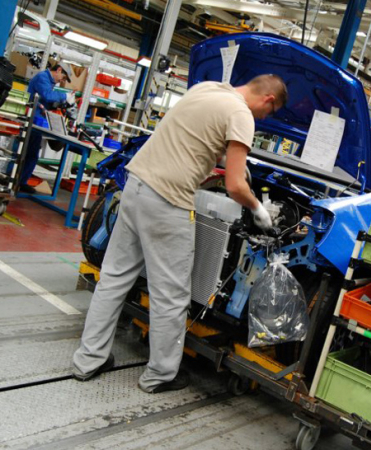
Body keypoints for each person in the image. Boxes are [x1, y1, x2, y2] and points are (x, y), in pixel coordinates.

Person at [72, 74, 288, 394]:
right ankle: (160, 374)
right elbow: (234, 186)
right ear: (268, 99)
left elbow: (200, 141)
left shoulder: (207, 89)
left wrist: (234, 165)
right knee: (171, 295)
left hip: (135, 188)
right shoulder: (241, 113)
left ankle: (88, 360)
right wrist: (258, 209)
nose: (263, 118)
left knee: (115, 277)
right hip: (168, 202)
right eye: (267, 114)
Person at [20, 62, 76, 193]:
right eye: (63, 77)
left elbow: (43, 100)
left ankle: (20, 180)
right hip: (32, 119)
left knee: (31, 153)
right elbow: (47, 95)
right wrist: (65, 96)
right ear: (59, 70)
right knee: (25, 152)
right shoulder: (43, 77)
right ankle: (15, 179)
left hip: (38, 120)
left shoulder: (49, 81)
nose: (62, 81)